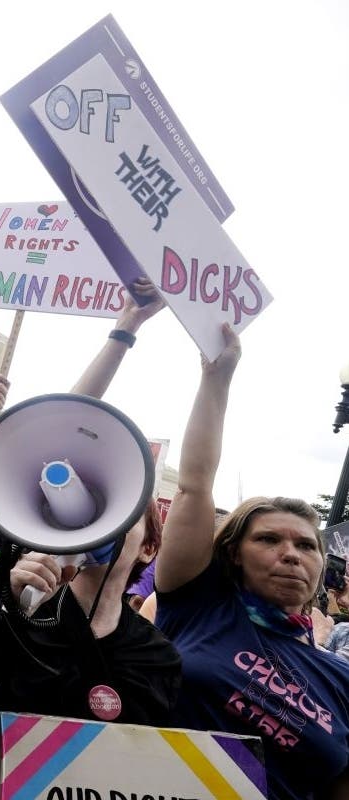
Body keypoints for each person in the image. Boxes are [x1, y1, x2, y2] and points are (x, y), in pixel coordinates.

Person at [0, 280, 178, 798]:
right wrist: (8, 617)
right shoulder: (8, 595)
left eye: (124, 514)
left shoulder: (155, 657)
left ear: (149, 546)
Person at [155, 325, 349, 800]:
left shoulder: (342, 679)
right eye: (268, 539)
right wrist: (216, 380)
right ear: (233, 555)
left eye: (306, 546)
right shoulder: (198, 606)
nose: (290, 553)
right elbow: (195, 484)